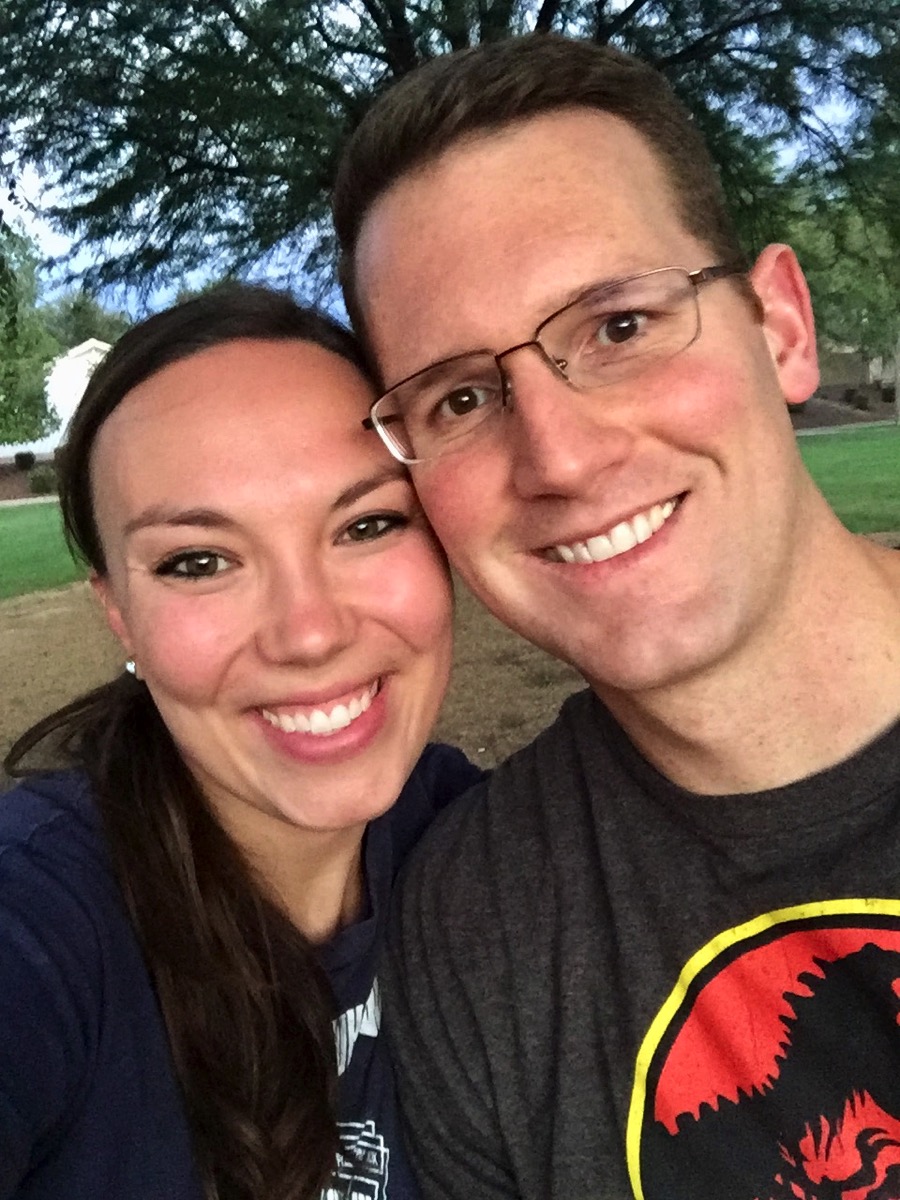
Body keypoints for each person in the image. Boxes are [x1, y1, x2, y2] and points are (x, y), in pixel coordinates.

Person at [332, 33, 900, 1200]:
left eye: (620, 326)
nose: (561, 458)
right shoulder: (474, 930)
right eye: (461, 398)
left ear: (782, 327)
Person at [0, 284, 482, 1200]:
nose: (310, 633)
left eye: (367, 525)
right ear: (120, 614)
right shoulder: (39, 920)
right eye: (200, 561)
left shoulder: (479, 841)